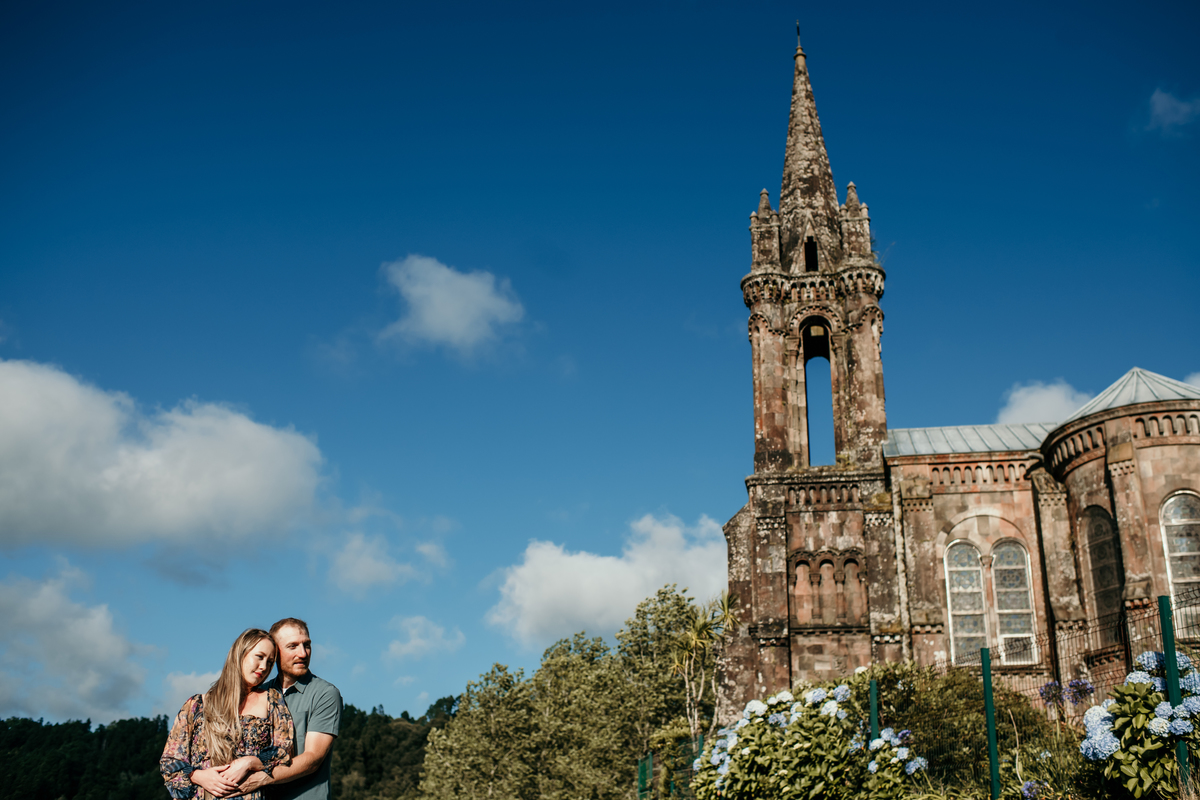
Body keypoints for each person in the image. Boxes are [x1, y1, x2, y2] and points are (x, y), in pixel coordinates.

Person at [160, 628, 295, 800]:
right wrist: (198, 776)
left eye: (270, 662)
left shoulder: (272, 700)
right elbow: (170, 762)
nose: (264, 667)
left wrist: (250, 762)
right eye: (259, 657)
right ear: (240, 653)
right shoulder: (196, 705)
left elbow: (284, 752)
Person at [237, 618, 342, 800]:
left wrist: (258, 778)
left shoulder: (325, 694)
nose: (303, 653)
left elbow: (313, 758)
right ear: (275, 652)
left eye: (307, 645)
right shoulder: (258, 693)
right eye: (292, 646)